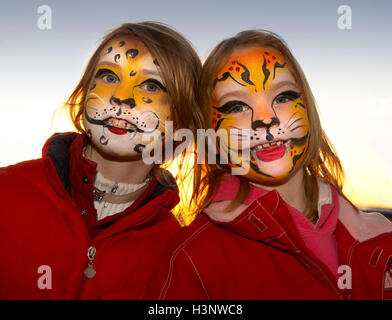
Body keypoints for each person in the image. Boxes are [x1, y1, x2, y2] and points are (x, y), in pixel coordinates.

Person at [144, 30, 392, 299]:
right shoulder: (192, 260)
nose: (265, 119)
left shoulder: (380, 236)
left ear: (307, 107)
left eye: (283, 97)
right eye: (236, 106)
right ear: (211, 136)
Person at [0, 21, 201, 299]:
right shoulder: (6, 192)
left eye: (152, 85)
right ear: (84, 93)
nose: (121, 98)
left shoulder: (176, 253)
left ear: (182, 124)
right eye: (109, 76)